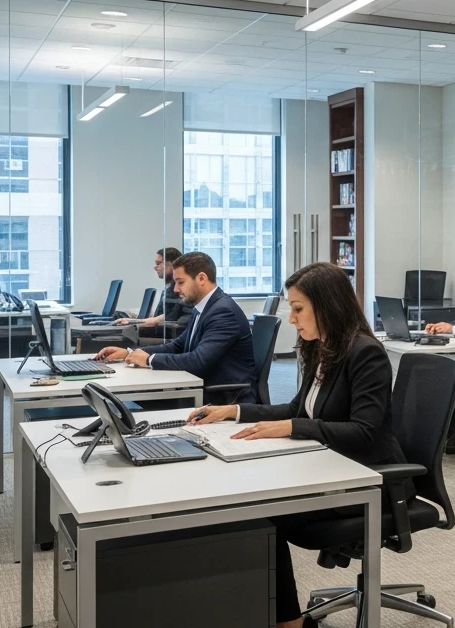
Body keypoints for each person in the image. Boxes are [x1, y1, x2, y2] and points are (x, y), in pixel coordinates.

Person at [185, 261, 404, 628]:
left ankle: (289, 622)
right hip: (327, 467)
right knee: (250, 505)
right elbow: (296, 408)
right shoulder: (324, 348)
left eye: (299, 308)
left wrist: (291, 427)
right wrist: (234, 411)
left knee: (259, 514)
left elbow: (364, 431)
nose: (292, 319)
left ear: (328, 305)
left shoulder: (365, 353)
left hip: (372, 480)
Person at [94, 251, 258, 404]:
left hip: (222, 398)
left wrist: (148, 360)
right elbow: (178, 346)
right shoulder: (203, 307)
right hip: (199, 387)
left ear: (201, 278)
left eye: (180, 282)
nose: (175, 289)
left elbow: (198, 360)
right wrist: (130, 353)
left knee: (133, 403)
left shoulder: (223, 312)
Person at [115, 247, 191, 340]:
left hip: (167, 335)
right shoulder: (169, 288)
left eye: (158, 263)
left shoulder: (177, 291)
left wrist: (134, 323)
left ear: (172, 265)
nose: (155, 267)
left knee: (126, 335)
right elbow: (161, 317)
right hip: (163, 331)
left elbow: (167, 319)